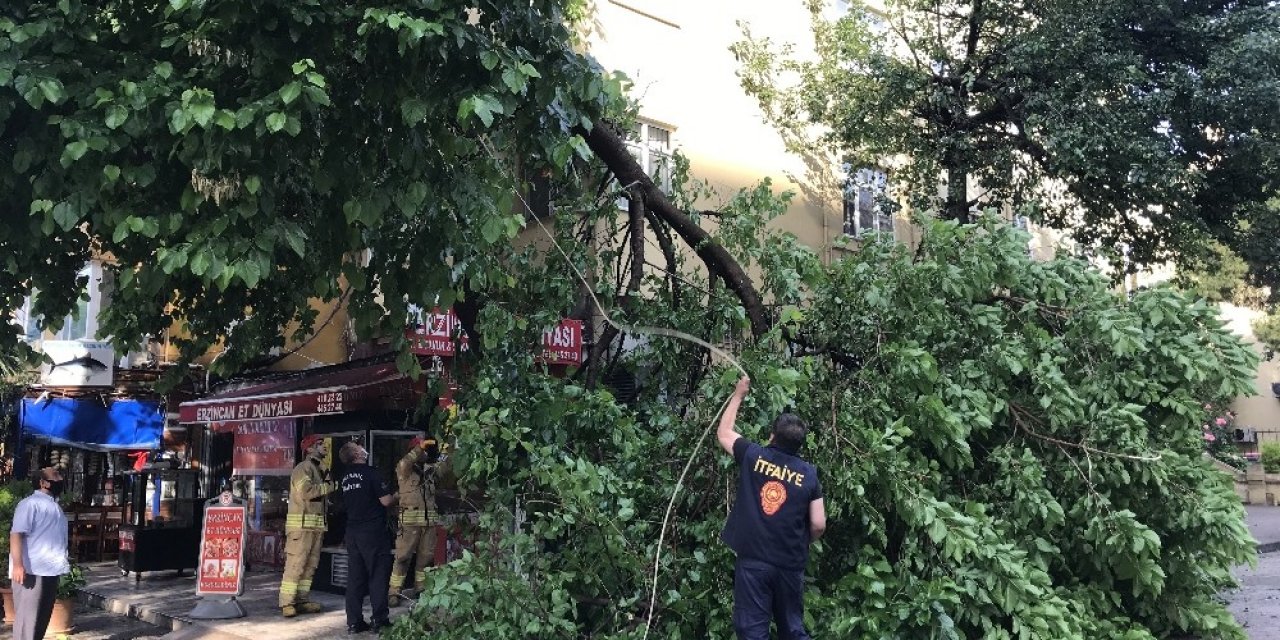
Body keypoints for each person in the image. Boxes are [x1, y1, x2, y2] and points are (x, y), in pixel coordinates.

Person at [717, 376, 827, 640]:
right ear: (799, 444)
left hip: (754, 561)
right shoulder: (809, 474)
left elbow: (724, 433)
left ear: (772, 436)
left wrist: (738, 395)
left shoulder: (754, 456)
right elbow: (819, 524)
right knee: (792, 630)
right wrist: (803, 541)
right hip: (789, 563)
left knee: (752, 631)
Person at [338, 441, 396, 634]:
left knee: (355, 578)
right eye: (358, 446)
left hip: (353, 533)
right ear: (356, 453)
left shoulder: (345, 478)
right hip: (373, 532)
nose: (363, 448)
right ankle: (379, 620)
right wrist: (396, 496)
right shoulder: (371, 473)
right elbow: (386, 501)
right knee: (378, 575)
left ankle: (354, 623)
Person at [9, 467, 71, 640]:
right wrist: (18, 565)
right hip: (31, 571)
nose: (60, 478)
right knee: (27, 624)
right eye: (55, 476)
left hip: (50, 570)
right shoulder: (30, 504)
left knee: (40, 621)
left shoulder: (54, 506)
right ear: (43, 483)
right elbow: (16, 534)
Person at [279, 434, 337, 618]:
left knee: (310, 567)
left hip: (316, 528)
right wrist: (330, 487)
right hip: (301, 528)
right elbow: (306, 492)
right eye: (319, 444)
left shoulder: (320, 469)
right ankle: (287, 602)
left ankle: (302, 600)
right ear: (309, 449)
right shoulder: (302, 468)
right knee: (296, 565)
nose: (324, 447)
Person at [389, 436, 445, 606]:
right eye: (422, 450)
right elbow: (405, 462)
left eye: (426, 450)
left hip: (428, 524)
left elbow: (445, 469)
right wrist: (418, 448)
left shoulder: (429, 470)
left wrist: (447, 452)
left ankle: (420, 588)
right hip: (409, 523)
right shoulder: (404, 470)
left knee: (425, 558)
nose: (425, 453)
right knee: (403, 557)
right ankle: (394, 592)